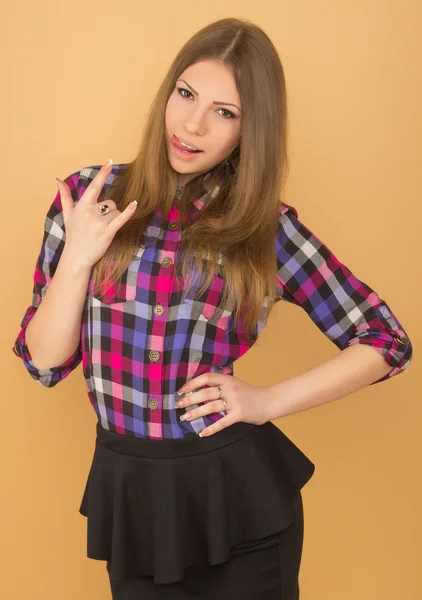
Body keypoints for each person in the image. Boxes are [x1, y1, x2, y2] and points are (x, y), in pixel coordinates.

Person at [12, 17, 412, 600]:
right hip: (132, 499)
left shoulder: (265, 229)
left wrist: (267, 401)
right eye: (187, 94)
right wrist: (78, 259)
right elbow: (44, 362)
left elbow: (386, 338)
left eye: (227, 112)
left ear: (251, 131)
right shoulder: (89, 200)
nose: (193, 124)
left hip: (238, 499)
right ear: (168, 92)